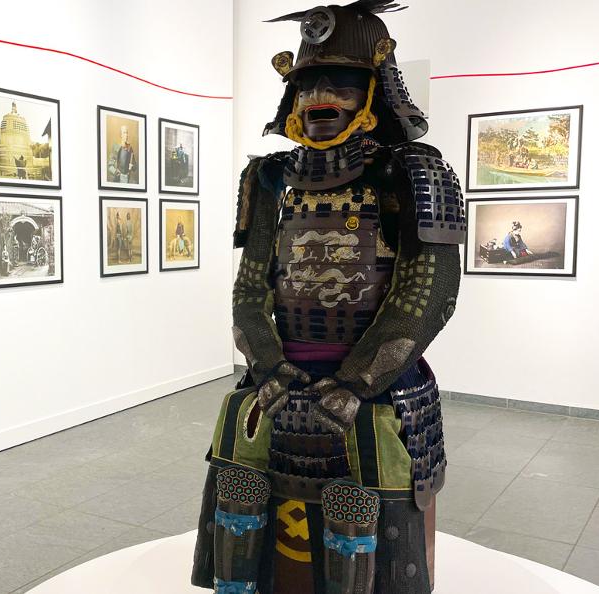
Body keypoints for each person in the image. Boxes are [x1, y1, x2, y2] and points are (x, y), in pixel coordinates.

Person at [192, 3, 466, 594]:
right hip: (280, 377)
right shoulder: (269, 179)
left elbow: (429, 290)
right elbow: (251, 284)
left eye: (339, 85)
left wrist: (357, 382)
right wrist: (267, 364)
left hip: (378, 385)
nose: (320, 98)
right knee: (243, 479)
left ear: (374, 91)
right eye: (309, 85)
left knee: (375, 509)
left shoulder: (412, 174)